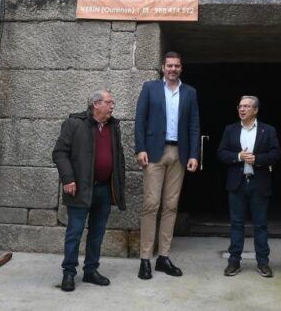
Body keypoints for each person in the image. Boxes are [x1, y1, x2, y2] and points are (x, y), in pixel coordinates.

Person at [134, 51, 200, 279]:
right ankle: (145, 259)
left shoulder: (190, 92)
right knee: (151, 205)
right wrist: (140, 148)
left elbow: (194, 125)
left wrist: (194, 154)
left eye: (177, 66)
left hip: (179, 153)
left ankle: (163, 256)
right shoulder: (150, 88)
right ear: (163, 67)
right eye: (169, 65)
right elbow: (139, 120)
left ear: (181, 68)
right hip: (154, 153)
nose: (173, 69)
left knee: (171, 206)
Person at [52, 89, 126, 292]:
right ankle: (69, 273)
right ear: (96, 104)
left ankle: (91, 270)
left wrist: (117, 186)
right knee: (74, 232)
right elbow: (59, 153)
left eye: (113, 102)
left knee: (97, 233)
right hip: (79, 188)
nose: (112, 106)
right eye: (109, 102)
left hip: (104, 189)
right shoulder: (74, 123)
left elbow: (117, 157)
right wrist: (68, 178)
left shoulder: (113, 126)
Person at [216, 95, 281, 277]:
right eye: (240, 106)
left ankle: (263, 263)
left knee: (260, 225)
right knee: (236, 224)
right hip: (237, 183)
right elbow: (221, 153)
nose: (242, 109)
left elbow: (276, 154)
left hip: (259, 183)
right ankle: (234, 261)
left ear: (256, 110)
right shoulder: (230, 130)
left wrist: (258, 159)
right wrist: (238, 157)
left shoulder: (267, 130)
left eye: (246, 106)